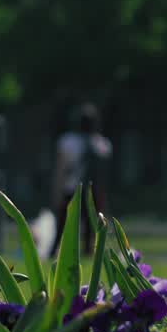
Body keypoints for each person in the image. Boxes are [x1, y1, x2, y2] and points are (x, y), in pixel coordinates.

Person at [51, 103, 112, 254]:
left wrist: (56, 192)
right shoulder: (103, 145)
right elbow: (104, 175)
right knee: (90, 230)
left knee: (62, 226)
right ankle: (88, 254)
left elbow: (61, 171)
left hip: (72, 190)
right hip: (94, 193)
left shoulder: (67, 142)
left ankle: (55, 252)